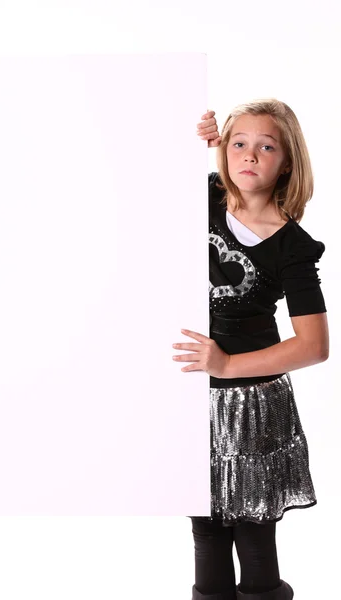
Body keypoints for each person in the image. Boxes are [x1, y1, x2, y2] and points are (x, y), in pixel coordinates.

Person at [172, 99, 329, 600]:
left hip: (251, 404)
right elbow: (138, 173)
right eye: (239, 144)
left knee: (252, 532)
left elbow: (314, 346)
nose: (250, 156)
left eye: (266, 147)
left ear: (287, 162)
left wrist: (228, 363)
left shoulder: (293, 247)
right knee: (206, 528)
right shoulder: (204, 199)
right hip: (194, 398)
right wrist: (183, 132)